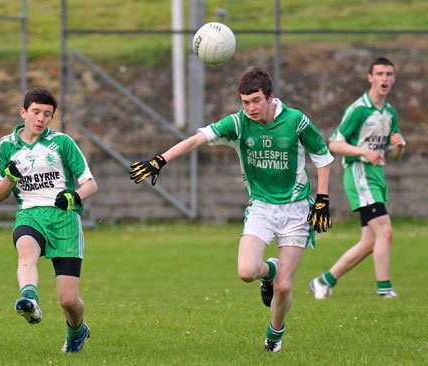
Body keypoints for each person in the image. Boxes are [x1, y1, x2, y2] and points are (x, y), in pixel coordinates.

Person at [130, 66, 334, 352]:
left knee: (285, 288)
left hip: (297, 209)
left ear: (270, 97)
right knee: (246, 271)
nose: (250, 108)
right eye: (245, 102)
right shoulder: (238, 123)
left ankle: (274, 336)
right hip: (261, 207)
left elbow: (322, 157)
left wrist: (322, 199)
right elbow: (197, 139)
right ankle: (270, 270)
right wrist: (161, 160)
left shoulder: (296, 120)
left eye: (256, 101)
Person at [0, 87, 98, 353]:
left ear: (52, 118)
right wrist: (10, 178)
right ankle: (29, 299)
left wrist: (74, 197)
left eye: (47, 114)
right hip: (30, 214)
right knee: (25, 249)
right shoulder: (7, 145)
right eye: (36, 112)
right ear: (23, 112)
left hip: (64, 219)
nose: (41, 118)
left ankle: (77, 331)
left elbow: (91, 184)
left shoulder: (62, 143)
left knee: (68, 300)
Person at [310, 57, 405, 300]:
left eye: (389, 74)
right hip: (359, 174)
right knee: (385, 231)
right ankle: (385, 290)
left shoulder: (390, 112)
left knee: (369, 242)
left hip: (377, 176)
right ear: (370, 78)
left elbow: (393, 156)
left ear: (393, 78)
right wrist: (364, 152)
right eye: (380, 73)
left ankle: (324, 281)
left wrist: (398, 146)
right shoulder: (358, 109)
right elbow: (334, 144)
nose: (385, 78)